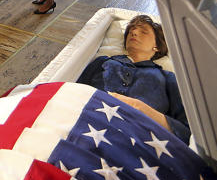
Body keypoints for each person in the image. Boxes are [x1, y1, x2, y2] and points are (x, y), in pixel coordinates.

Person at [76, 14, 190, 143]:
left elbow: (186, 132)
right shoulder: (103, 62)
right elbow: (73, 93)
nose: (134, 32)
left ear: (157, 46)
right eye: (131, 31)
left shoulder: (168, 78)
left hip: (140, 142)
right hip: (87, 131)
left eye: (144, 32)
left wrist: (142, 109)